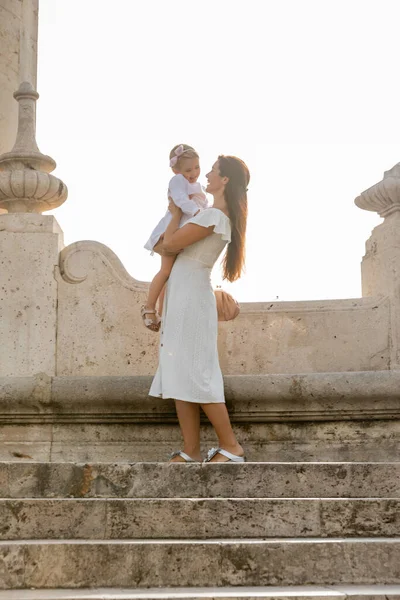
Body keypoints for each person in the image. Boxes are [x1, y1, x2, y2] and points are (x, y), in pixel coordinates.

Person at [149, 155, 250, 463]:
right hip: (182, 295)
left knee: (198, 373)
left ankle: (231, 446)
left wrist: (176, 208)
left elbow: (169, 244)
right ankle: (190, 450)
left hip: (192, 298)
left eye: (213, 171)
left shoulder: (215, 216)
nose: (205, 174)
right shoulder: (210, 214)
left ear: (225, 180)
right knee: (179, 372)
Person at [141, 144, 208, 332]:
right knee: (165, 271)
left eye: (197, 167)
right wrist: (197, 213)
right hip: (171, 231)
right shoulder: (177, 180)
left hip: (184, 232)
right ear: (176, 170)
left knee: (170, 275)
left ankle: (163, 313)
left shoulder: (198, 185)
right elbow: (180, 200)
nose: (194, 172)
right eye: (188, 169)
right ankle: (148, 308)